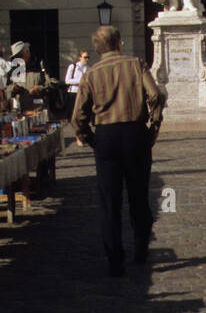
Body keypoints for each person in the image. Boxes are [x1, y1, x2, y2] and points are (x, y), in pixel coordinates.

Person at [71, 25, 165, 277]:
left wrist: (90, 138)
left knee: (109, 201)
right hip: (135, 134)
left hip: (106, 137)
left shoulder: (91, 74)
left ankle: (115, 259)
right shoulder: (136, 65)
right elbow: (155, 95)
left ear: (97, 49)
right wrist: (153, 125)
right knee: (138, 195)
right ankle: (141, 247)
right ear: (119, 43)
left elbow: (77, 116)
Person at [65, 51, 91, 117]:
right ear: (80, 58)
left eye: (88, 57)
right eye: (85, 57)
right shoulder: (73, 66)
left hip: (83, 92)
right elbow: (67, 80)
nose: (87, 59)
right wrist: (81, 81)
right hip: (73, 92)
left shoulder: (88, 68)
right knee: (72, 112)